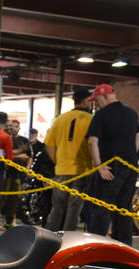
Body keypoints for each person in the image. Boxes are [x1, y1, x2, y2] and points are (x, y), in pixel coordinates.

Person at [86, 83, 139, 245]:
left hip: (111, 167)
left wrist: (99, 166)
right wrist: (131, 155)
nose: (96, 104)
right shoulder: (131, 113)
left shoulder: (102, 115)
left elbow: (92, 142)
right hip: (131, 166)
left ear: (104, 96)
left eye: (97, 100)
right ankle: (124, 247)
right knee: (124, 208)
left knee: (103, 207)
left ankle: (96, 246)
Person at [44, 87, 94, 232]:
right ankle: (68, 238)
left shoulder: (60, 118)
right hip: (82, 170)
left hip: (62, 170)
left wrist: (57, 161)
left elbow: (48, 144)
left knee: (58, 207)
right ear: (85, 101)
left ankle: (50, 237)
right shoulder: (91, 119)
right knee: (74, 207)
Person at [1, 118, 30, 228]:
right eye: (9, 126)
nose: (11, 128)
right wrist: (19, 155)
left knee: (15, 199)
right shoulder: (4, 138)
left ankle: (9, 222)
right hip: (5, 173)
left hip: (16, 174)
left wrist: (26, 167)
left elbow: (27, 155)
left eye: (12, 126)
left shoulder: (20, 140)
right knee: (2, 199)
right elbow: (5, 154)